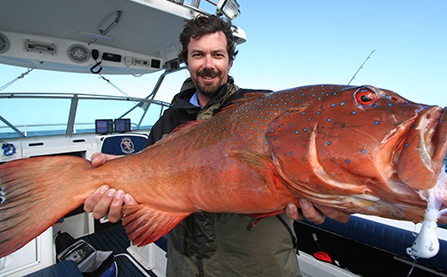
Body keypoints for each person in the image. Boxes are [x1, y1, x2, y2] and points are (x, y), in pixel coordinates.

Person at [84, 15, 350, 276]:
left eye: (217, 55)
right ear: (187, 61)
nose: (208, 64)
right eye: (198, 55)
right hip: (184, 268)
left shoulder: (261, 109)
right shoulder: (167, 121)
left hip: (259, 268)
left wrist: (317, 196)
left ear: (230, 61)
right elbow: (146, 174)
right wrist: (115, 181)